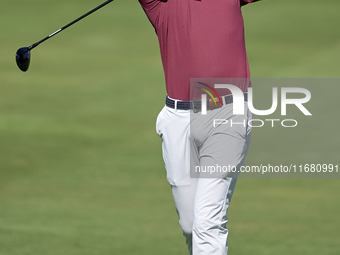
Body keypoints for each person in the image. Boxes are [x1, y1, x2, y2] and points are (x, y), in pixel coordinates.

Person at [138, 0, 260, 254]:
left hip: (228, 113)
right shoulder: (158, 4)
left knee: (208, 223)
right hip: (177, 118)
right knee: (191, 225)